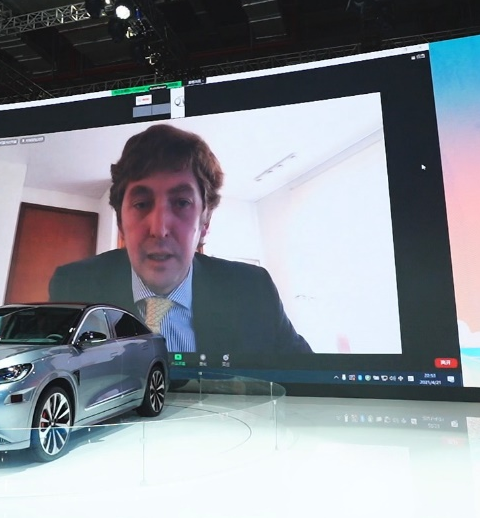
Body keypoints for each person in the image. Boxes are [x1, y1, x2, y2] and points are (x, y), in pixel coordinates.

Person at [49, 124, 311, 356]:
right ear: (120, 223)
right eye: (141, 204)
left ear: (205, 223)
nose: (159, 229)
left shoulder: (252, 290)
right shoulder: (74, 287)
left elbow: (307, 380)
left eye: (182, 203)